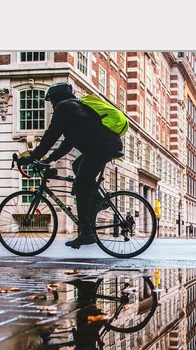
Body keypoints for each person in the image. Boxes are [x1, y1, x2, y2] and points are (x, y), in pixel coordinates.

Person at [17, 82, 124, 248]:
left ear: (56, 98)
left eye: (51, 101)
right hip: (104, 146)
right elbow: (66, 144)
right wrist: (46, 160)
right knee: (77, 166)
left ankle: (86, 233)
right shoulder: (75, 109)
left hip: (102, 147)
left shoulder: (65, 107)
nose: (52, 105)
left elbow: (50, 136)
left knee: (81, 185)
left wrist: (32, 157)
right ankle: (99, 199)